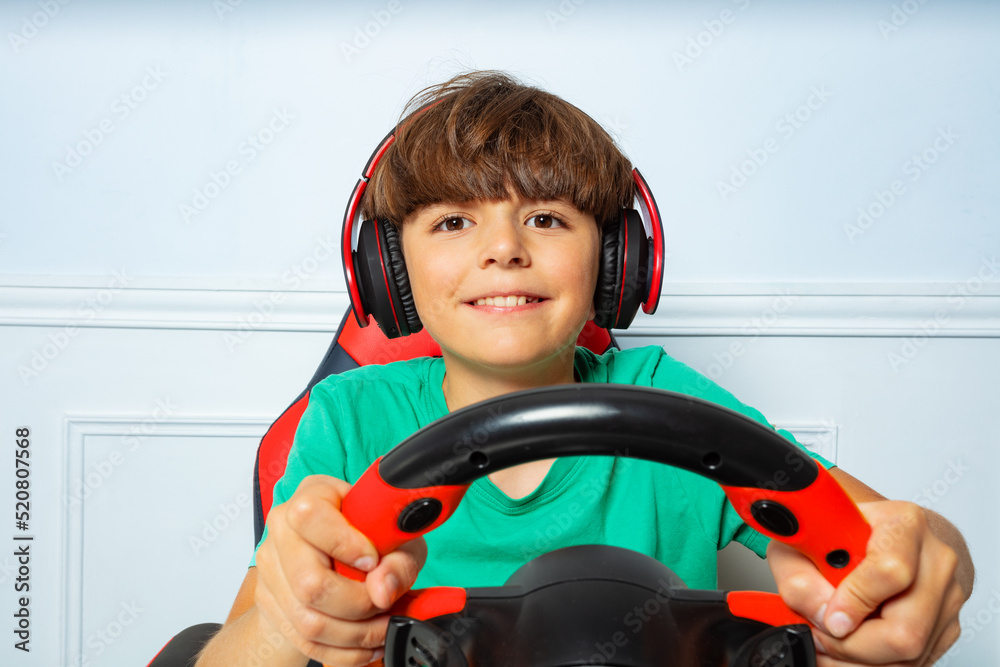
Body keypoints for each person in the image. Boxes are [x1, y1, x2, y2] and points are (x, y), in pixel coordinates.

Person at [195, 71, 974, 667]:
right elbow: (230, 652)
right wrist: (282, 616)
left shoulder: (672, 402)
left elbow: (880, 538)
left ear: (615, 263)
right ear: (388, 272)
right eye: (455, 220)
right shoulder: (350, 417)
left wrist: (932, 556)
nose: (503, 248)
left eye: (545, 217)